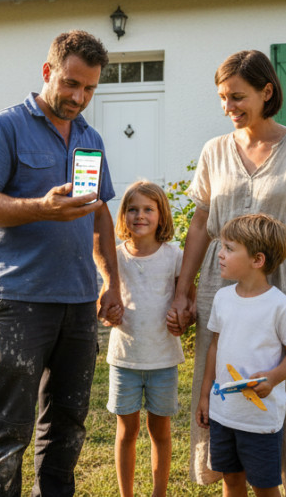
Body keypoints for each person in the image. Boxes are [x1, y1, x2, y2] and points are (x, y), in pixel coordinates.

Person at [167, 49, 286, 496]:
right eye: (222, 98)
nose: (229, 108)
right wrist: (183, 291)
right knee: (225, 386)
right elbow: (201, 226)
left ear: (267, 92)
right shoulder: (214, 151)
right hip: (221, 287)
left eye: (238, 97)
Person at [0, 29, 124, 497]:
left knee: (68, 425)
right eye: (71, 83)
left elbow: (99, 215)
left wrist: (111, 283)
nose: (79, 97)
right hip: (18, 300)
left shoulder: (90, 139)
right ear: (47, 71)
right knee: (8, 427)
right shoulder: (4, 127)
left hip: (77, 303)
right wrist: (39, 207)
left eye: (90, 88)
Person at [197, 213, 286, 497]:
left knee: (264, 487)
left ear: (257, 260)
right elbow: (214, 347)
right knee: (231, 481)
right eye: (222, 246)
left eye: (229, 249)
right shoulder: (222, 299)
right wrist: (205, 395)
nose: (220, 254)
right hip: (223, 414)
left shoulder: (280, 305)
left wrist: (272, 377)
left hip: (260, 421)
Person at [106, 180, 184, 497]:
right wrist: (106, 311)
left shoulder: (175, 257)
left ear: (161, 216)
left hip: (163, 359)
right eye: (132, 209)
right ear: (123, 215)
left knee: (160, 431)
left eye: (148, 209)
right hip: (124, 358)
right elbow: (105, 299)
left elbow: (186, 304)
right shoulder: (114, 256)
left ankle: (158, 493)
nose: (140, 216)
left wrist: (184, 318)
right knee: (126, 431)